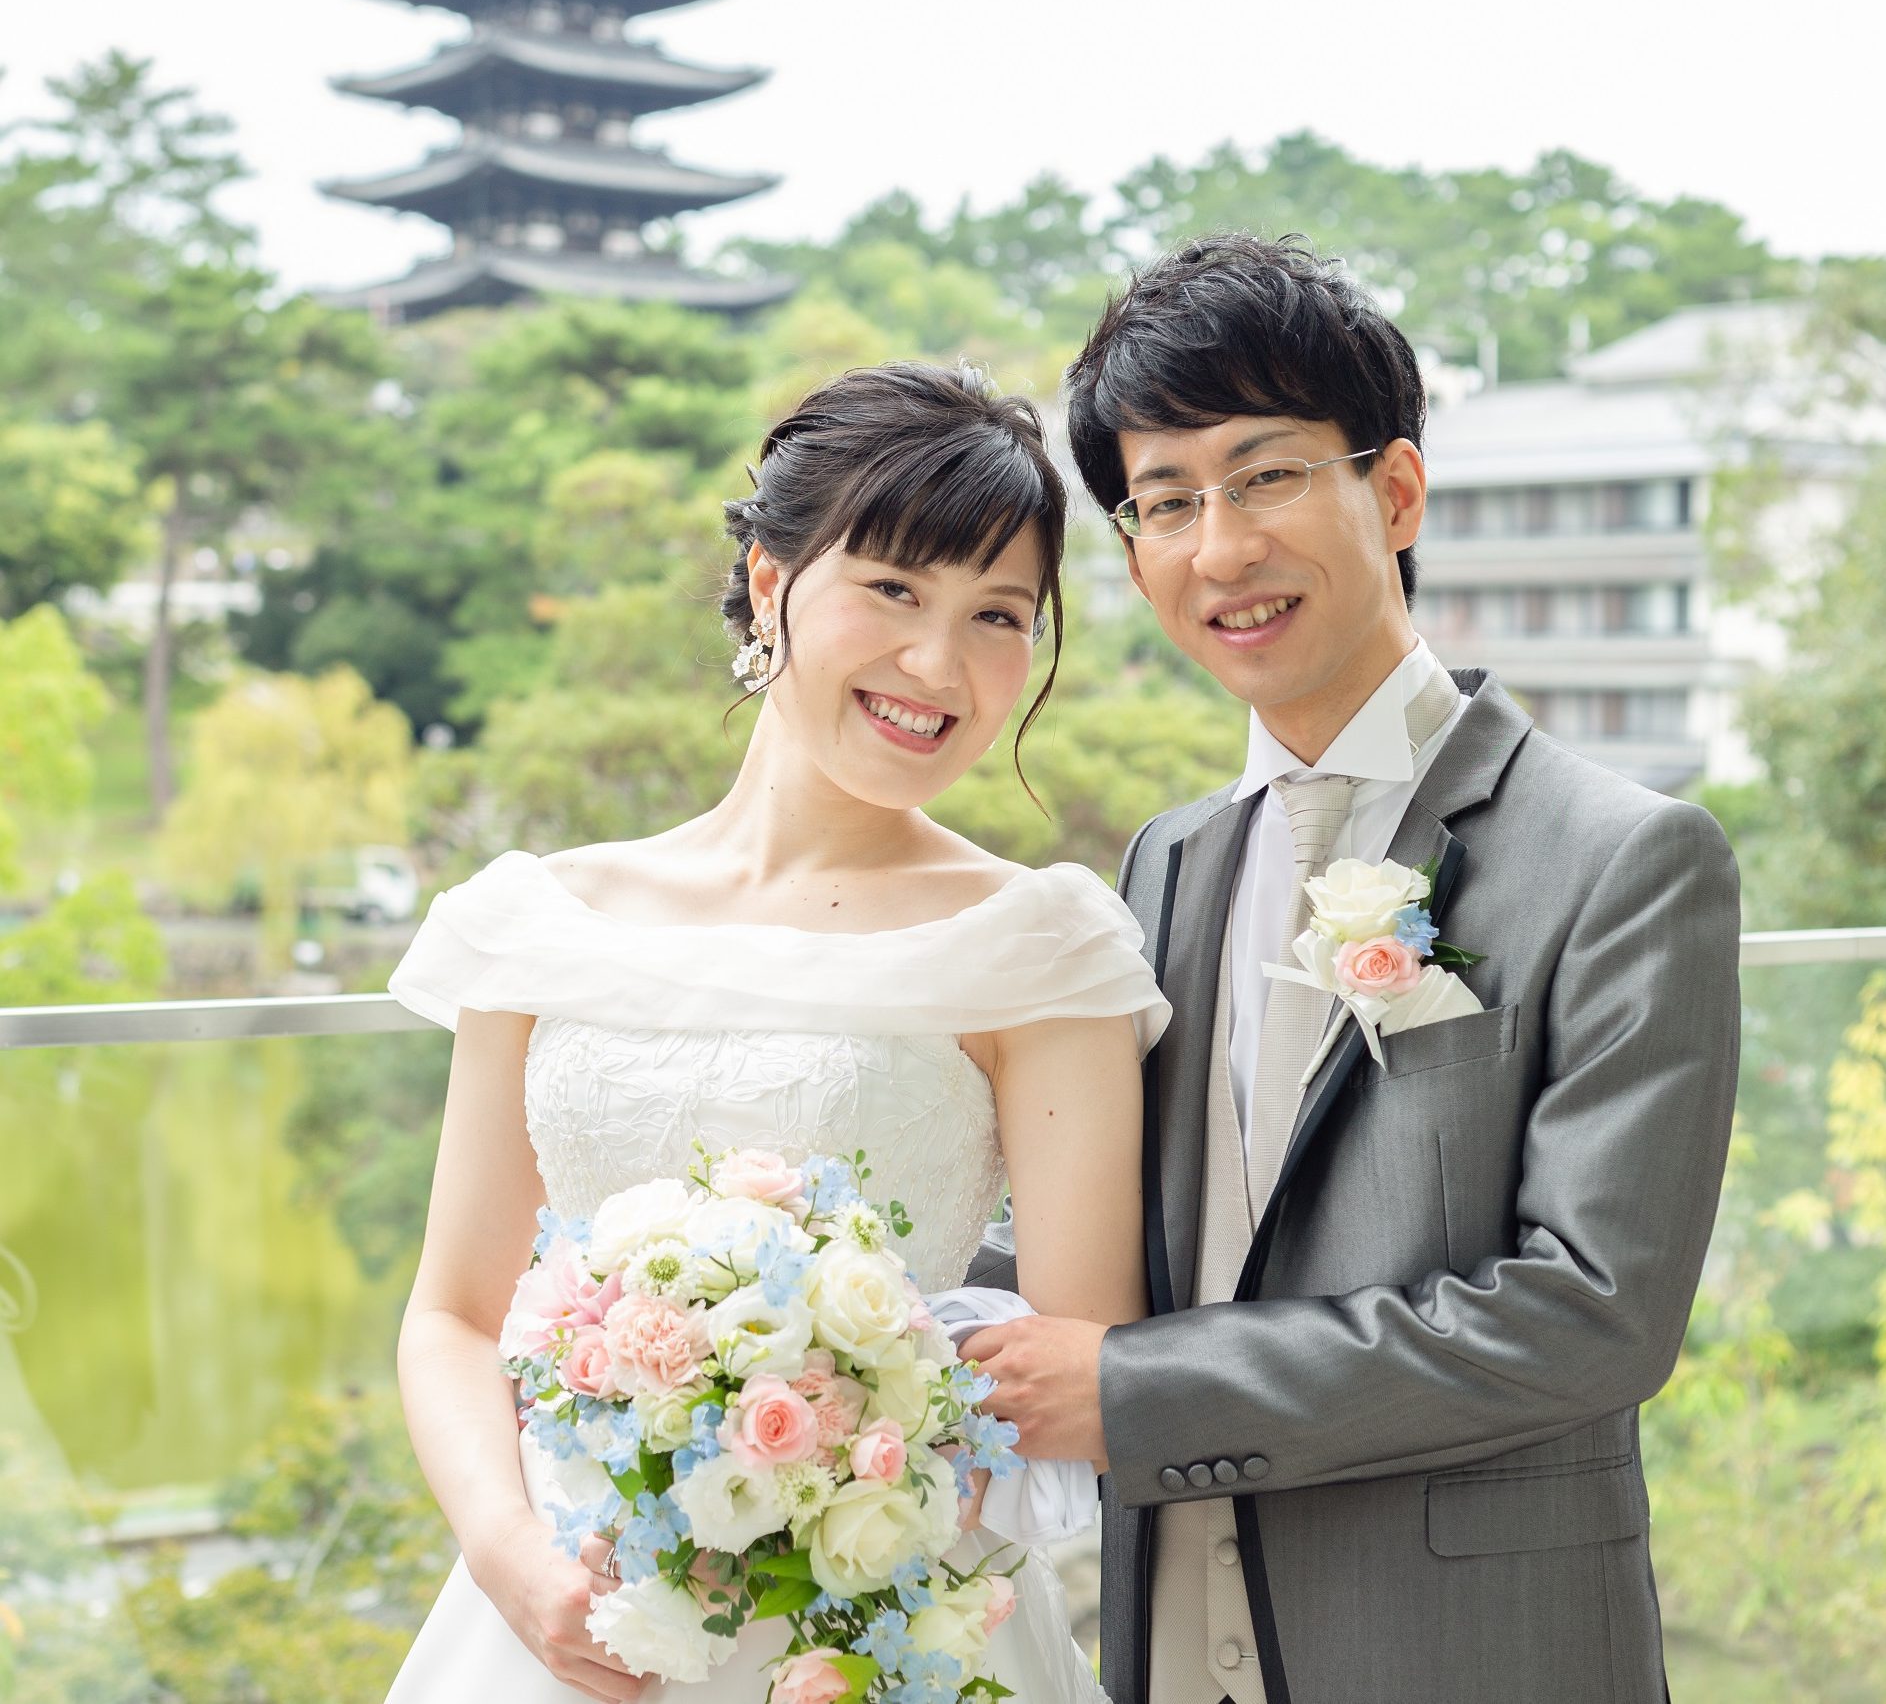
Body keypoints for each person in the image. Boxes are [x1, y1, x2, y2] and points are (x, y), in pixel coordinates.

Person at [962, 235, 1742, 1704]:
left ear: (1394, 492)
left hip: (1468, 1656)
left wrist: (1128, 1394)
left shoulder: (1626, 856)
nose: (1219, 550)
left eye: (1263, 476)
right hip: (1167, 1640)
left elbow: (1592, 1314)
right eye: (1166, 501)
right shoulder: (1166, 861)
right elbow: (1126, 1221)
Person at [380, 361, 1168, 1702]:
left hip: (883, 1619)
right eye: (893, 589)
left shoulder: (1038, 944)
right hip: (570, 1613)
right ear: (767, 581)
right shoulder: (540, 920)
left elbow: (1073, 1362)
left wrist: (828, 1505)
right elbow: (454, 1313)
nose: (939, 665)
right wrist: (512, 1558)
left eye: (997, 615)